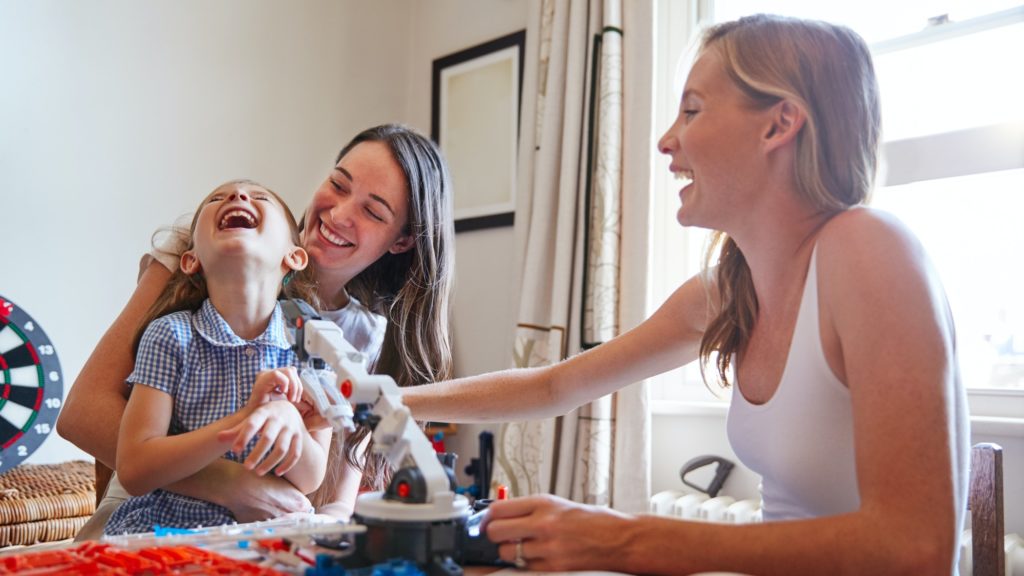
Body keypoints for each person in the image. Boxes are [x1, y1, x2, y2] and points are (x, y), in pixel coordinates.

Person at [403, 14, 969, 575]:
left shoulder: (871, 250)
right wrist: (389, 401)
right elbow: (555, 385)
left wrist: (622, 541)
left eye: (692, 111)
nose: (666, 140)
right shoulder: (728, 290)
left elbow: (916, 547)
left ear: (779, 125)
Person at [57, 124, 455, 537]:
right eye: (338, 184)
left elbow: (332, 494)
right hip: (147, 514)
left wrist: (320, 526)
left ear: (402, 240)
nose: (338, 214)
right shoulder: (201, 249)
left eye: (373, 211)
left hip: (260, 533)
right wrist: (230, 483)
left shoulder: (355, 336)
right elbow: (81, 415)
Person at [104, 180, 331, 534]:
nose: (238, 196)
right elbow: (134, 469)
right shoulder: (169, 335)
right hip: (166, 531)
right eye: (216, 198)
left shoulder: (312, 338)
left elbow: (311, 479)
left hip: (263, 534)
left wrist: (290, 421)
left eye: (259, 197)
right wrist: (244, 418)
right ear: (191, 259)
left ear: (295, 256)